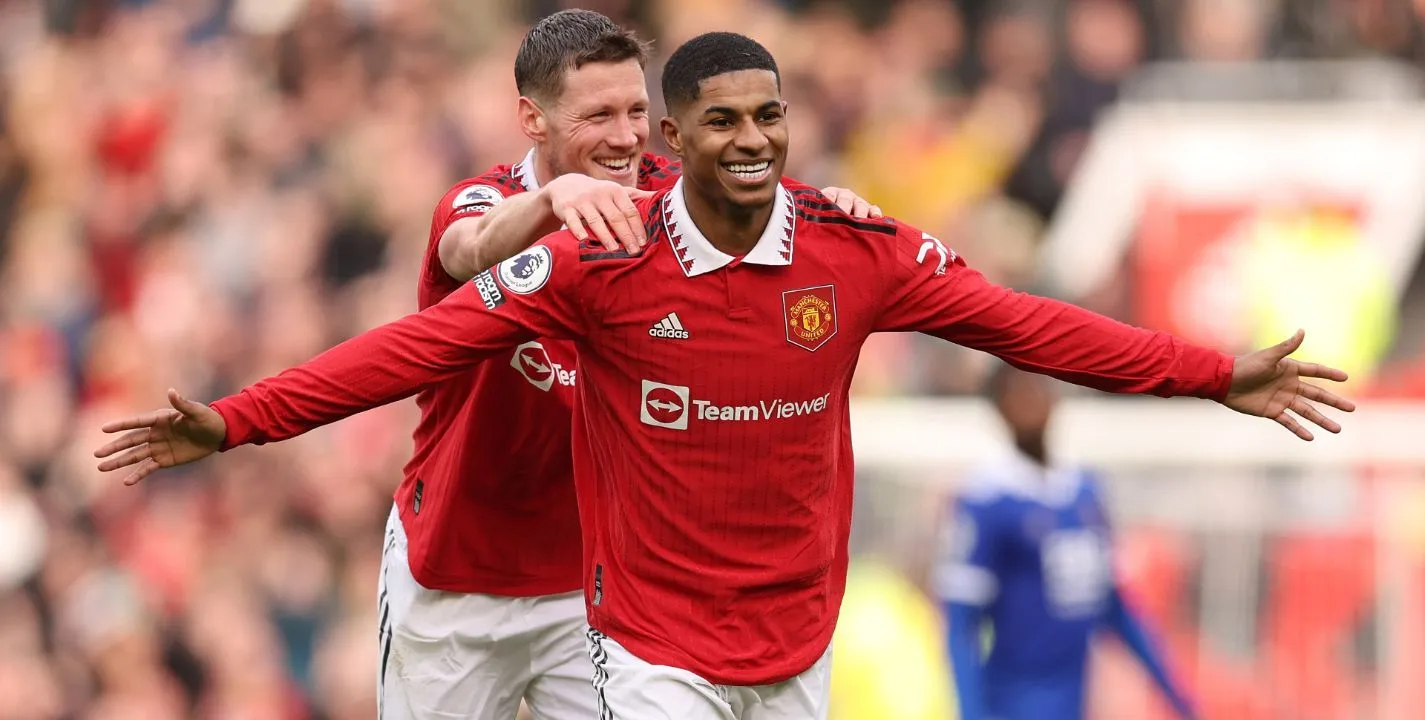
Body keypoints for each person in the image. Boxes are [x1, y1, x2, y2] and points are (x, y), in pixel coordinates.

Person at [96, 32, 1354, 720]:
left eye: (640, 118)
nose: (626, 139)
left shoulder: (797, 236)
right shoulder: (545, 232)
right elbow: (433, 311)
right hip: (471, 579)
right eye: (601, 121)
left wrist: (1206, 374)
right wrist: (244, 420)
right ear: (532, 121)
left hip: (664, 613)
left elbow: (1022, 323)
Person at [934, 365, 1196, 720]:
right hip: (1012, 704)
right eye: (1018, 393)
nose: (1032, 401)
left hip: (1074, 701)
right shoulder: (987, 500)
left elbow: (1113, 607)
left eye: (1036, 388)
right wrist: (971, 712)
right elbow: (962, 624)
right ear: (999, 408)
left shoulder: (1084, 492)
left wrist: (1180, 699)